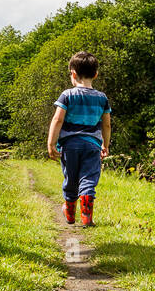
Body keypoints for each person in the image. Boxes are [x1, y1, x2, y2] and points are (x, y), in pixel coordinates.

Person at [46, 51, 111, 227]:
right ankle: (86, 216)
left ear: (73, 74)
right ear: (95, 74)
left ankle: (69, 211)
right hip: (92, 146)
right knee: (89, 178)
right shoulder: (102, 98)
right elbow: (106, 125)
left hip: (70, 145)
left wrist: (51, 143)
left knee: (71, 179)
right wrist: (105, 144)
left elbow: (57, 119)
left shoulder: (67, 95)